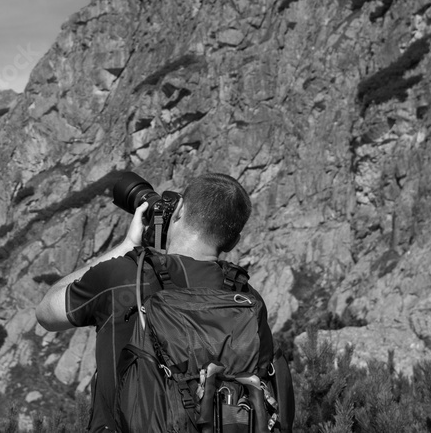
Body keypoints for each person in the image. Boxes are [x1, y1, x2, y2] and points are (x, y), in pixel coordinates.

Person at [35, 173, 274, 433]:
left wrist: (126, 246)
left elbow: (47, 312)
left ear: (179, 208)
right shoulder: (247, 298)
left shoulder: (124, 277)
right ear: (233, 241)